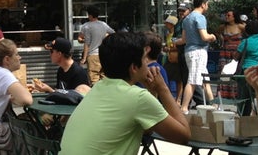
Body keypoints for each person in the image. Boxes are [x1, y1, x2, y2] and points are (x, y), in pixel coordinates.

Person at [60, 32, 190, 154]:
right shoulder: (138, 97)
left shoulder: (99, 87)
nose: (148, 63)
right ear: (134, 67)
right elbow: (183, 136)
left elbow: (146, 128)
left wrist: (152, 91)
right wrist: (163, 89)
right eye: (145, 59)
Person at [180, 0, 217, 114]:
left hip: (189, 51)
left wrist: (174, 42)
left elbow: (183, 40)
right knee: (193, 80)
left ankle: (213, 103)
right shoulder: (200, 17)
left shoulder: (186, 19)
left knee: (205, 79)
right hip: (198, 51)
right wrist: (212, 37)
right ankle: (184, 107)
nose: (208, 6)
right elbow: (204, 37)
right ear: (203, 4)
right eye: (207, 4)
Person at [232, 20, 258, 115]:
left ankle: (243, 118)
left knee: (244, 98)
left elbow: (236, 57)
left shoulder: (246, 42)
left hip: (246, 72)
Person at [79, 5, 115, 84]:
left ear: (90, 15)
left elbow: (87, 43)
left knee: (94, 79)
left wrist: (84, 58)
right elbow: (113, 33)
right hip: (104, 54)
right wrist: (105, 36)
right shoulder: (103, 24)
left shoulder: (86, 26)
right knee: (104, 78)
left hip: (93, 55)